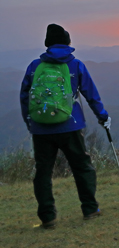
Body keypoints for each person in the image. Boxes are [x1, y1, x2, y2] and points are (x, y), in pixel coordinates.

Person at [19, 24, 111, 229]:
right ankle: (90, 208)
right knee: (82, 167)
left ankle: (48, 217)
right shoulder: (76, 64)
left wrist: (30, 121)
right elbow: (91, 94)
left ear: (47, 44)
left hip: (41, 128)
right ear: (68, 43)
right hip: (71, 125)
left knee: (43, 171)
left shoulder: (34, 66)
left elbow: (25, 96)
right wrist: (102, 116)